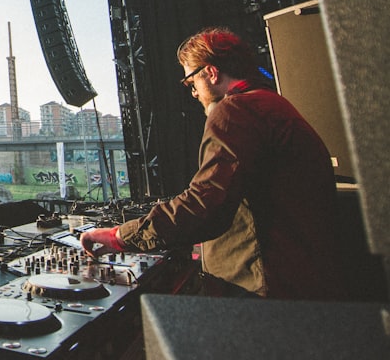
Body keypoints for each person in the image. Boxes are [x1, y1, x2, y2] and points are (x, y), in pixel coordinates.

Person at [80, 28, 346, 300]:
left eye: (190, 82)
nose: (194, 93)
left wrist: (118, 237)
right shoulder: (273, 104)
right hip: (301, 276)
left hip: (266, 287)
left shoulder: (235, 111)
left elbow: (204, 205)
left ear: (211, 73)